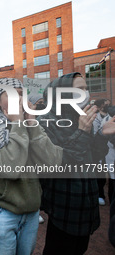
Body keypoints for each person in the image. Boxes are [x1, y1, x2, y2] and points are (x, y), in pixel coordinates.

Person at [0, 78, 63, 255]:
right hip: (1, 212)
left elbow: (53, 162)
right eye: (13, 93)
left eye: (22, 93)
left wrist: (31, 123)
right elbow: (10, 168)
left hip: (31, 211)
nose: (20, 98)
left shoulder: (31, 123)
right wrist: (18, 123)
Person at [37, 73, 115, 255]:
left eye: (86, 89)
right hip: (64, 207)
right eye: (79, 89)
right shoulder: (47, 121)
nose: (85, 93)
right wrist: (82, 131)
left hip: (86, 204)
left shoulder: (81, 117)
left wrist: (102, 136)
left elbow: (93, 157)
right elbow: (56, 165)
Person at [93, 98, 110, 206]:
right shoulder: (95, 117)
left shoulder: (110, 117)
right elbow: (93, 135)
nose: (107, 106)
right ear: (99, 107)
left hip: (107, 149)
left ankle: (102, 194)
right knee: (97, 173)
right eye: (105, 105)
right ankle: (98, 194)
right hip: (96, 149)